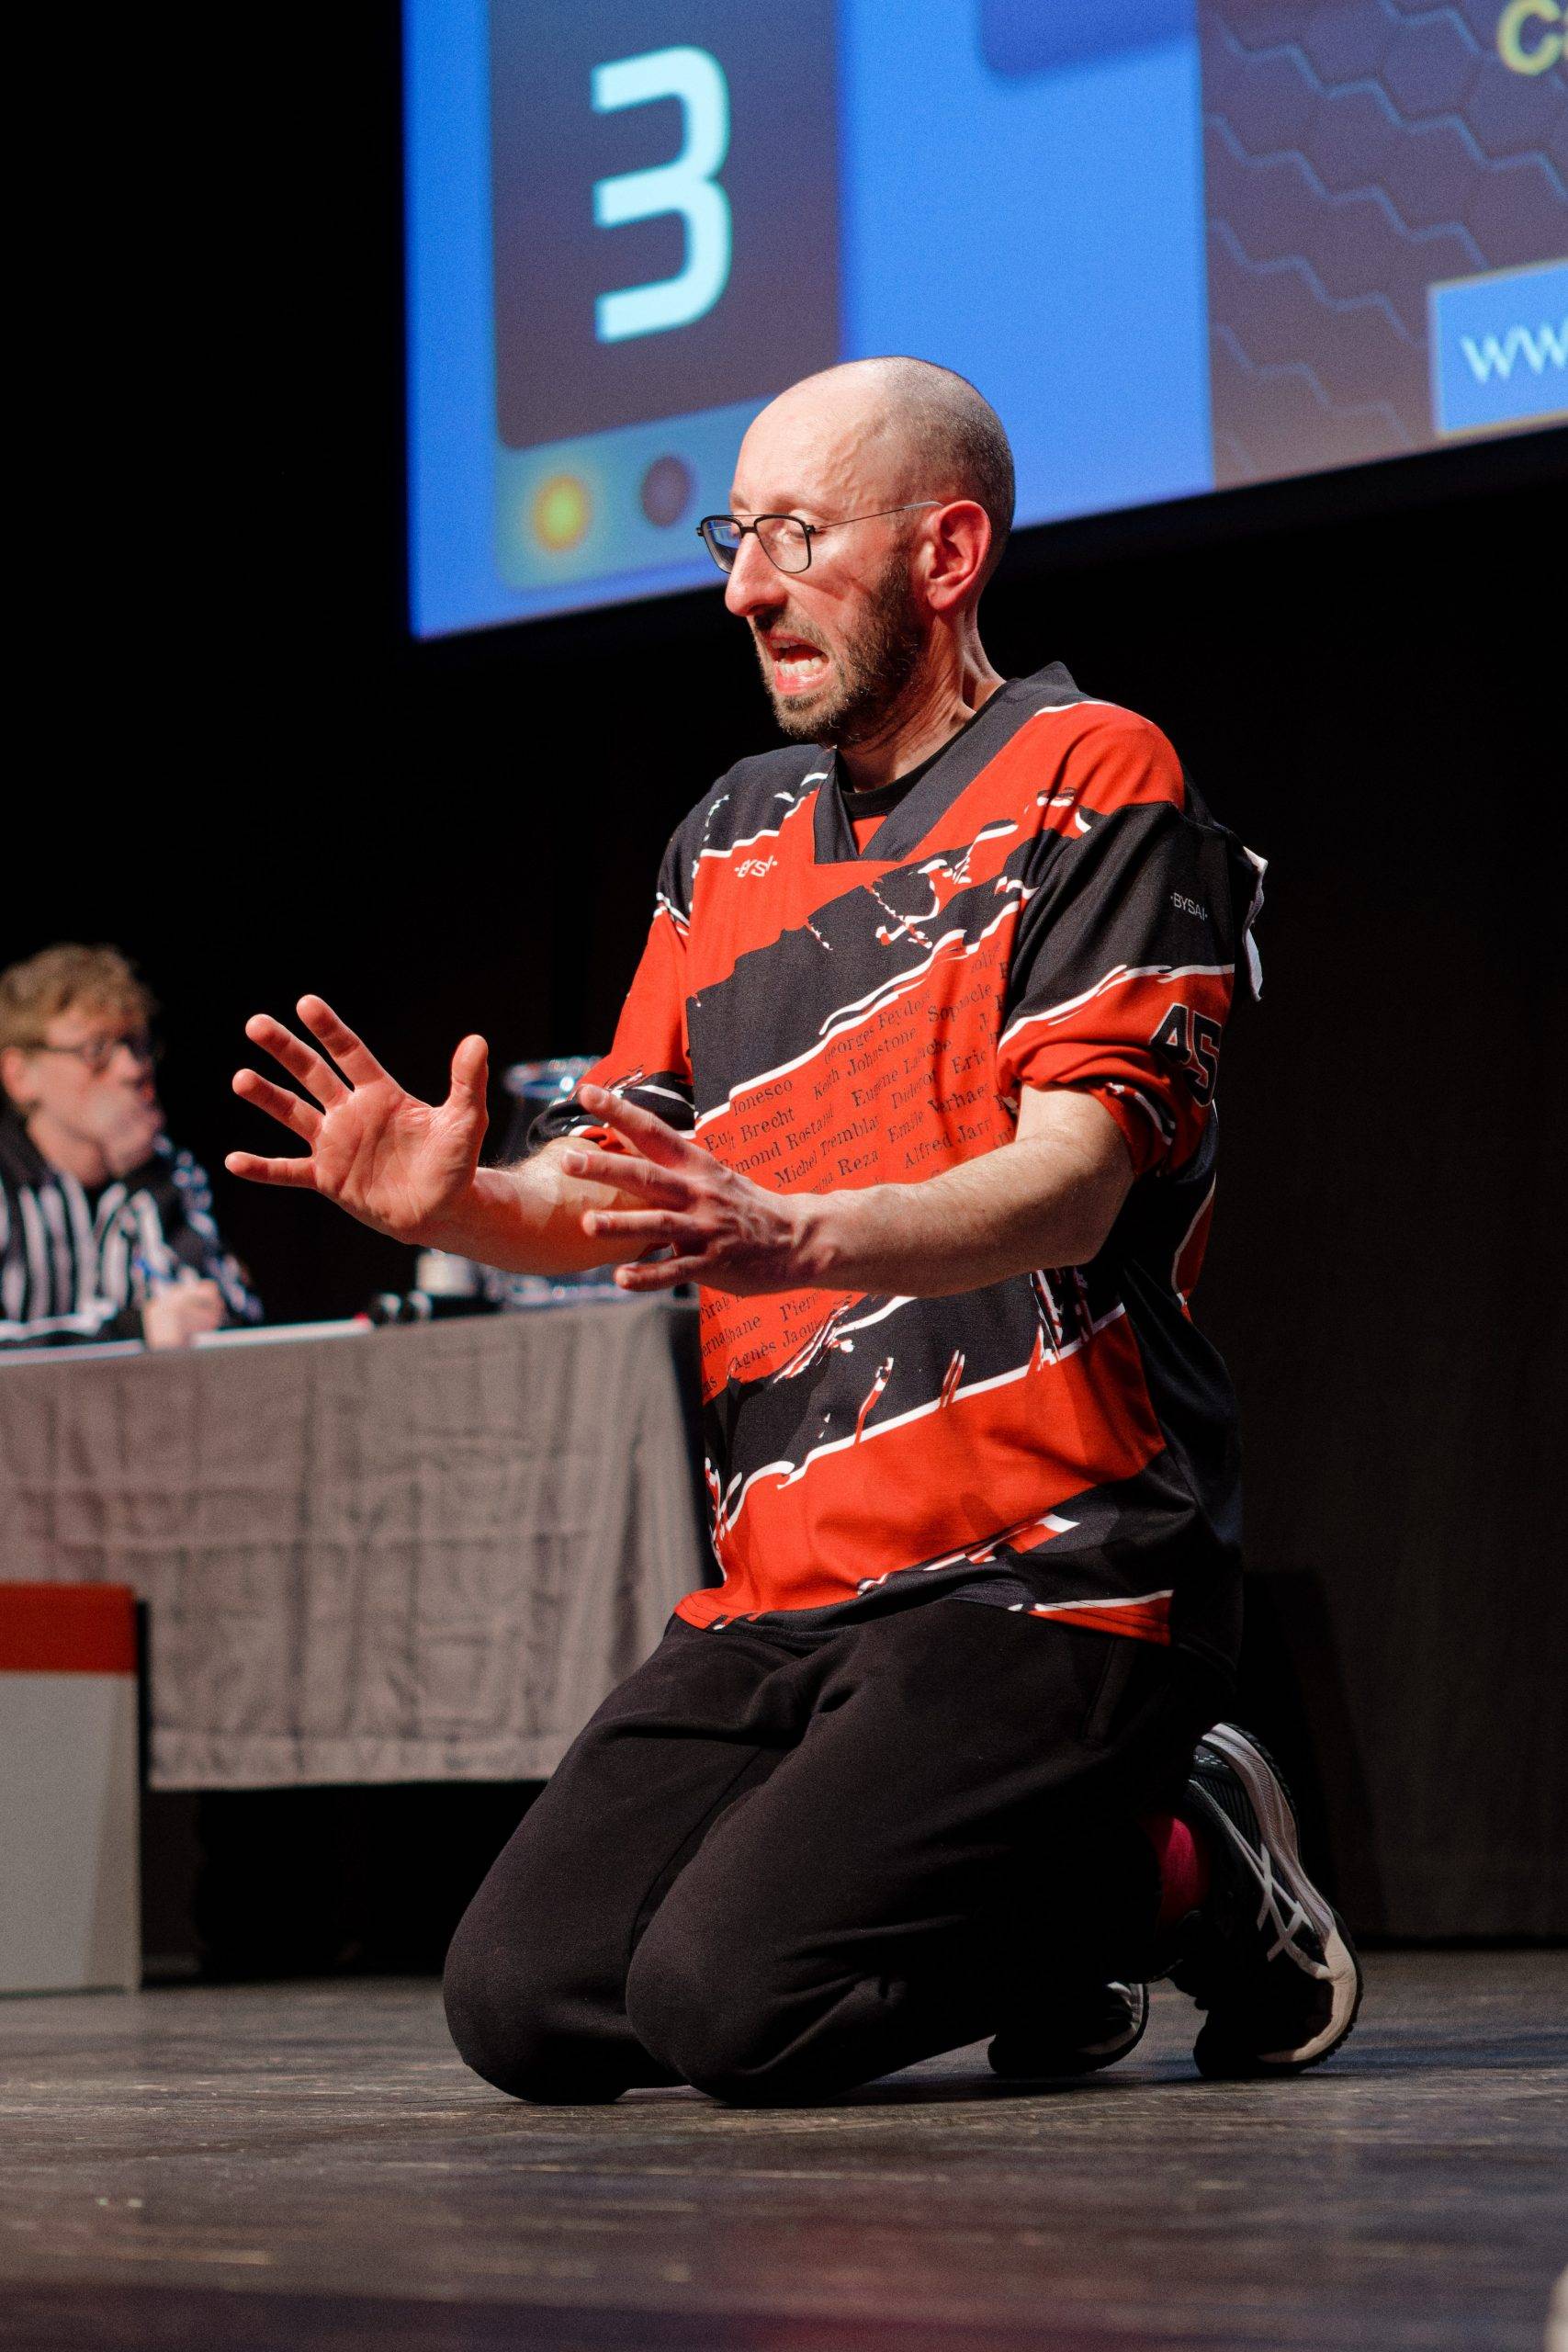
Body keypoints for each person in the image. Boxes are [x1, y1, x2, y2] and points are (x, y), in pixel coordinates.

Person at [227, 357, 1361, 2102]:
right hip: (784, 1587)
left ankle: (1182, 1861)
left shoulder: (1090, 773)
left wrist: (805, 1235)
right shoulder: (728, 835)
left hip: (1050, 1573)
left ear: (947, 550)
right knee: (523, 2004)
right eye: (731, 535)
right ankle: (1034, 1916)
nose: (743, 585)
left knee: (728, 2005)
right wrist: (455, 1202)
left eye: (795, 536)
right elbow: (623, 1202)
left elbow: (1073, 1175)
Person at [1, 944, 261, 1350]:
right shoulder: (7, 1180)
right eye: (96, 1050)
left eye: (136, 1046)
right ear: (19, 1076)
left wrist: (144, 1178)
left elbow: (226, 1316)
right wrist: (130, 1333)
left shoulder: (167, 1169)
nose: (132, 1069)